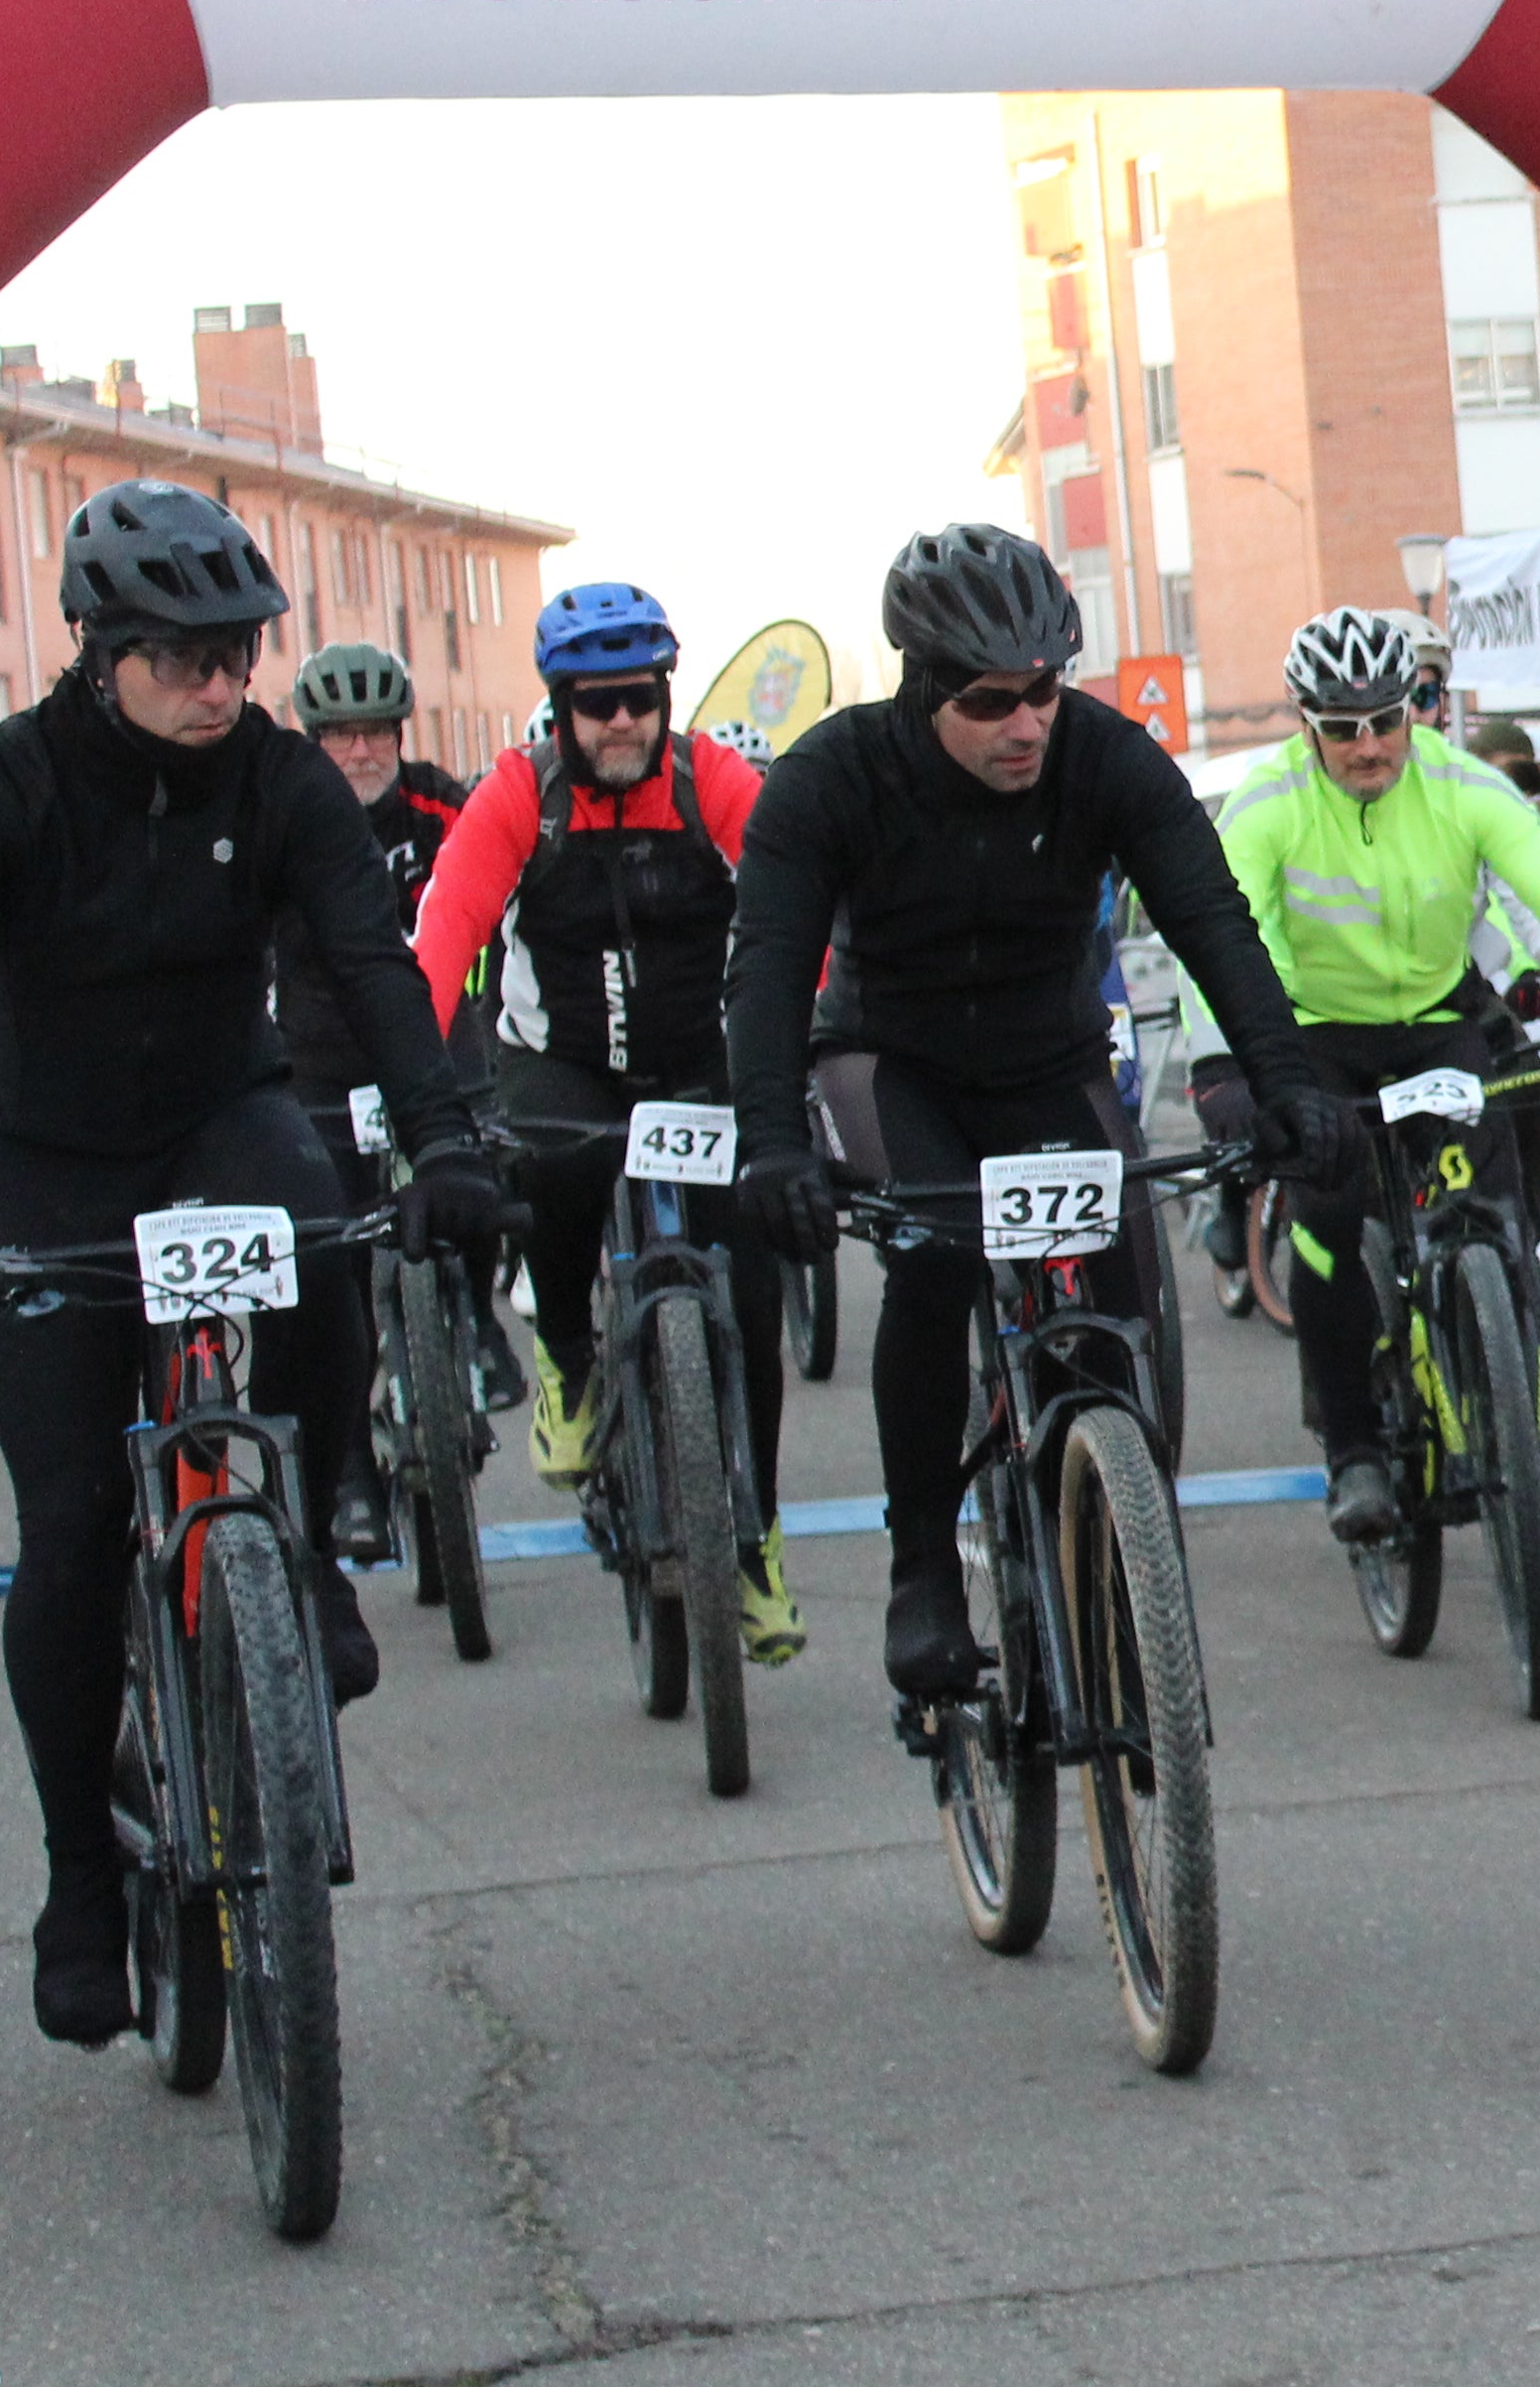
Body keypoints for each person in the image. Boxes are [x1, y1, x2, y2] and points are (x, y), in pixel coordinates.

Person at [0, 484, 506, 2045]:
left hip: (223, 1115)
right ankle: (82, 1874)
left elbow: (368, 963)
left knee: (324, 1251)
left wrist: (444, 1146)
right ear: (103, 652)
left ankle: (320, 1553)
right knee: (69, 1536)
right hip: (49, 1158)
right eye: (190, 660)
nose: (226, 687)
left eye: (241, 656)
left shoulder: (280, 781)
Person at [721, 525, 1343, 1701]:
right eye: (992, 701)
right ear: (922, 686)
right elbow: (767, 964)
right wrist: (769, 1139)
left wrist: (1289, 1081)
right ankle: (921, 1566)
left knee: (1119, 1285)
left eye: (1046, 692)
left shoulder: (1103, 756)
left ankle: (1120, 1543)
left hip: (1046, 1057)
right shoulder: (832, 775)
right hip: (890, 1059)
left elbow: (1214, 921)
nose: (1027, 724)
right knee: (939, 1255)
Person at [1214, 609, 1540, 1537]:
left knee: (1492, 1204)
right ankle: (1351, 1447)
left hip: (1436, 1028)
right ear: (1306, 724)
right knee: (1322, 1221)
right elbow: (1235, 944)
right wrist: (1227, 1065)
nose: (1369, 745)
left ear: (1411, 712)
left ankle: (1497, 1360)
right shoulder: (1267, 806)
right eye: (1343, 728)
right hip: (1312, 1038)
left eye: (1387, 720)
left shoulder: (1463, 786)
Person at [413, 583, 802, 1664]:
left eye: (639, 700)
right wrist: (419, 1086)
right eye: (597, 705)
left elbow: (793, 902)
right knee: (550, 1167)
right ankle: (572, 1364)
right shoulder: (516, 797)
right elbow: (445, 937)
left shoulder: (711, 781)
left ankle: (756, 1540)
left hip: (699, 1060)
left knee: (755, 1285)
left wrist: (809, 1025)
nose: (622, 722)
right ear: (562, 708)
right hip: (564, 1062)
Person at [276, 640, 475, 1563]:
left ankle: (474, 1335)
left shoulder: (440, 805)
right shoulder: (285, 818)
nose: (360, 754)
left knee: (486, 1179)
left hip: (429, 1047)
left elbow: (500, 885)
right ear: (313, 743)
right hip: (321, 1060)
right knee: (337, 1268)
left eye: (375, 736)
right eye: (340, 737)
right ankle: (351, 1467)